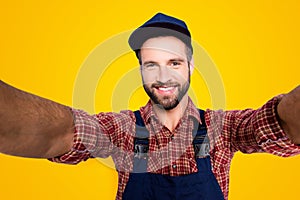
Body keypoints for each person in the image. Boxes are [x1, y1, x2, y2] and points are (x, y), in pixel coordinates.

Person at [0, 12, 300, 200]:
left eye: (174, 62)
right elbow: (65, 132)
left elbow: (282, 124)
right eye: (151, 65)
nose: (163, 76)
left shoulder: (224, 129)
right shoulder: (121, 130)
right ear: (141, 71)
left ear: (191, 67)